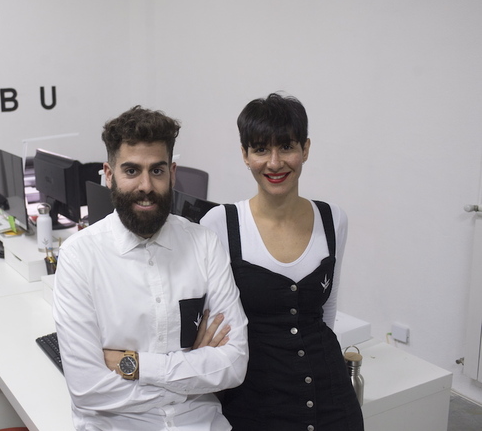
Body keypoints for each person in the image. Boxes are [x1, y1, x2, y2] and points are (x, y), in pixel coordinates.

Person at [53, 106, 249, 431]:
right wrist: (189, 377)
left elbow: (234, 365)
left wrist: (135, 365)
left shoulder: (204, 244)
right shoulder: (79, 256)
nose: (145, 185)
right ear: (108, 173)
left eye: (157, 171)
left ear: (172, 173)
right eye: (131, 171)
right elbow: (87, 390)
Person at [200, 93, 364, 430]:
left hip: (331, 397)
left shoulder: (334, 219)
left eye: (286, 147)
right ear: (245, 155)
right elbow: (208, 325)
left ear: (305, 149)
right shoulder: (219, 224)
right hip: (254, 400)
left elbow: (326, 311)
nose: (275, 163)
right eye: (260, 149)